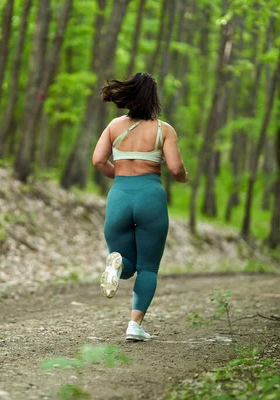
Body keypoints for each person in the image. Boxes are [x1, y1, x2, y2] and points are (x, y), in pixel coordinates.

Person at [92, 72, 189, 342]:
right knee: (148, 267)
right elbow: (175, 168)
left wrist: (121, 177)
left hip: (120, 195)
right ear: (153, 99)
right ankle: (134, 325)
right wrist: (183, 177)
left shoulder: (114, 126)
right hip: (150, 196)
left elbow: (98, 160)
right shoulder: (164, 130)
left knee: (127, 263)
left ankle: (118, 266)